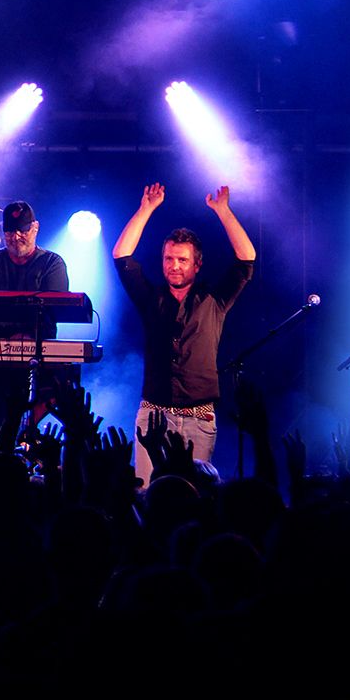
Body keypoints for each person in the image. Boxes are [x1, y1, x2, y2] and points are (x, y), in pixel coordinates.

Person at [111, 183, 255, 486]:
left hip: (198, 417)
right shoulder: (151, 299)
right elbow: (122, 255)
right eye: (169, 259)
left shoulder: (213, 300)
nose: (174, 266)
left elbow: (246, 259)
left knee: (195, 495)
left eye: (182, 260)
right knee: (148, 493)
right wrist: (146, 209)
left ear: (197, 265)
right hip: (154, 414)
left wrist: (223, 211)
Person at [0, 200, 73, 438]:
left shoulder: (52, 263)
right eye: (10, 232)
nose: (16, 237)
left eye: (22, 231)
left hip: (36, 350)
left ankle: (23, 432)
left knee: (56, 383)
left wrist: (29, 335)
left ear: (35, 228)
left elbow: (53, 310)